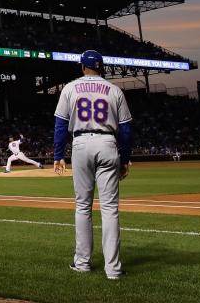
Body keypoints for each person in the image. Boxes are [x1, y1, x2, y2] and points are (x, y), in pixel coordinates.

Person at [53, 50, 132, 280]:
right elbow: (126, 129)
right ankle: (114, 269)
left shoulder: (69, 88)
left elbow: (60, 124)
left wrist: (59, 154)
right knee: (109, 209)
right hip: (108, 143)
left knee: (83, 206)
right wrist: (125, 158)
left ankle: (83, 262)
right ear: (102, 67)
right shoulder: (114, 90)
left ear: (82, 67)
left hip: (80, 144)